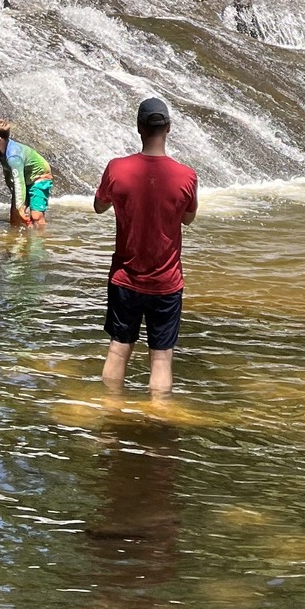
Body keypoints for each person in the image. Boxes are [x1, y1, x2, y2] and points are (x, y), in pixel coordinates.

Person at [94, 95, 198, 397]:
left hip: (125, 278)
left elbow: (99, 206)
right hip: (166, 282)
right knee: (162, 356)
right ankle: (158, 422)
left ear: (139, 128)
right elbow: (188, 218)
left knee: (118, 348)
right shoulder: (186, 176)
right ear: (169, 128)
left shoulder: (116, 168)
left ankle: (111, 416)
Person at [0, 119, 51, 228]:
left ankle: (39, 239)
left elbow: (19, 182)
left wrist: (20, 207)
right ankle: (16, 240)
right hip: (24, 178)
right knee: (15, 215)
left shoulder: (14, 157)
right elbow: (8, 172)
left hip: (39, 178)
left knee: (36, 217)